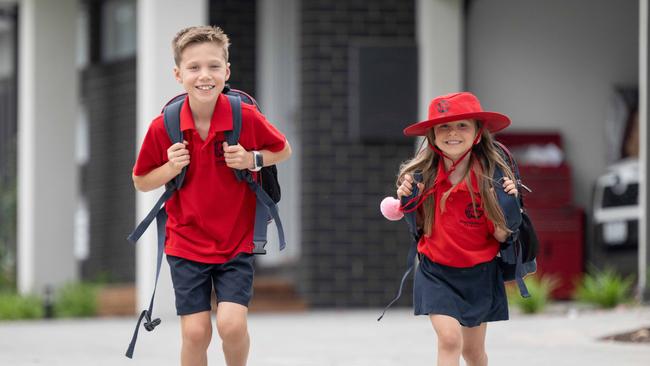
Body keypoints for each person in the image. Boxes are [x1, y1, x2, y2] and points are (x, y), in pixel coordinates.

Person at [132, 25, 291, 366]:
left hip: (236, 241)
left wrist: (252, 159)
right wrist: (170, 168)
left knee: (232, 326)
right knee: (195, 333)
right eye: (193, 68)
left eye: (214, 66)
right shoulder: (164, 126)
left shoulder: (244, 116)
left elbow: (283, 149)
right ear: (178, 74)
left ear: (226, 71)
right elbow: (142, 181)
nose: (204, 75)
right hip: (186, 244)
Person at [395, 92, 517, 366]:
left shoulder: (493, 176)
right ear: (432, 135)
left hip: (480, 272)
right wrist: (407, 197)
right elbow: (415, 224)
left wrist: (507, 203)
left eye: (463, 125)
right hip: (436, 270)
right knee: (450, 339)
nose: (453, 133)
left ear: (477, 133)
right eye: (444, 126)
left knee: (473, 353)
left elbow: (501, 234)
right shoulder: (421, 176)